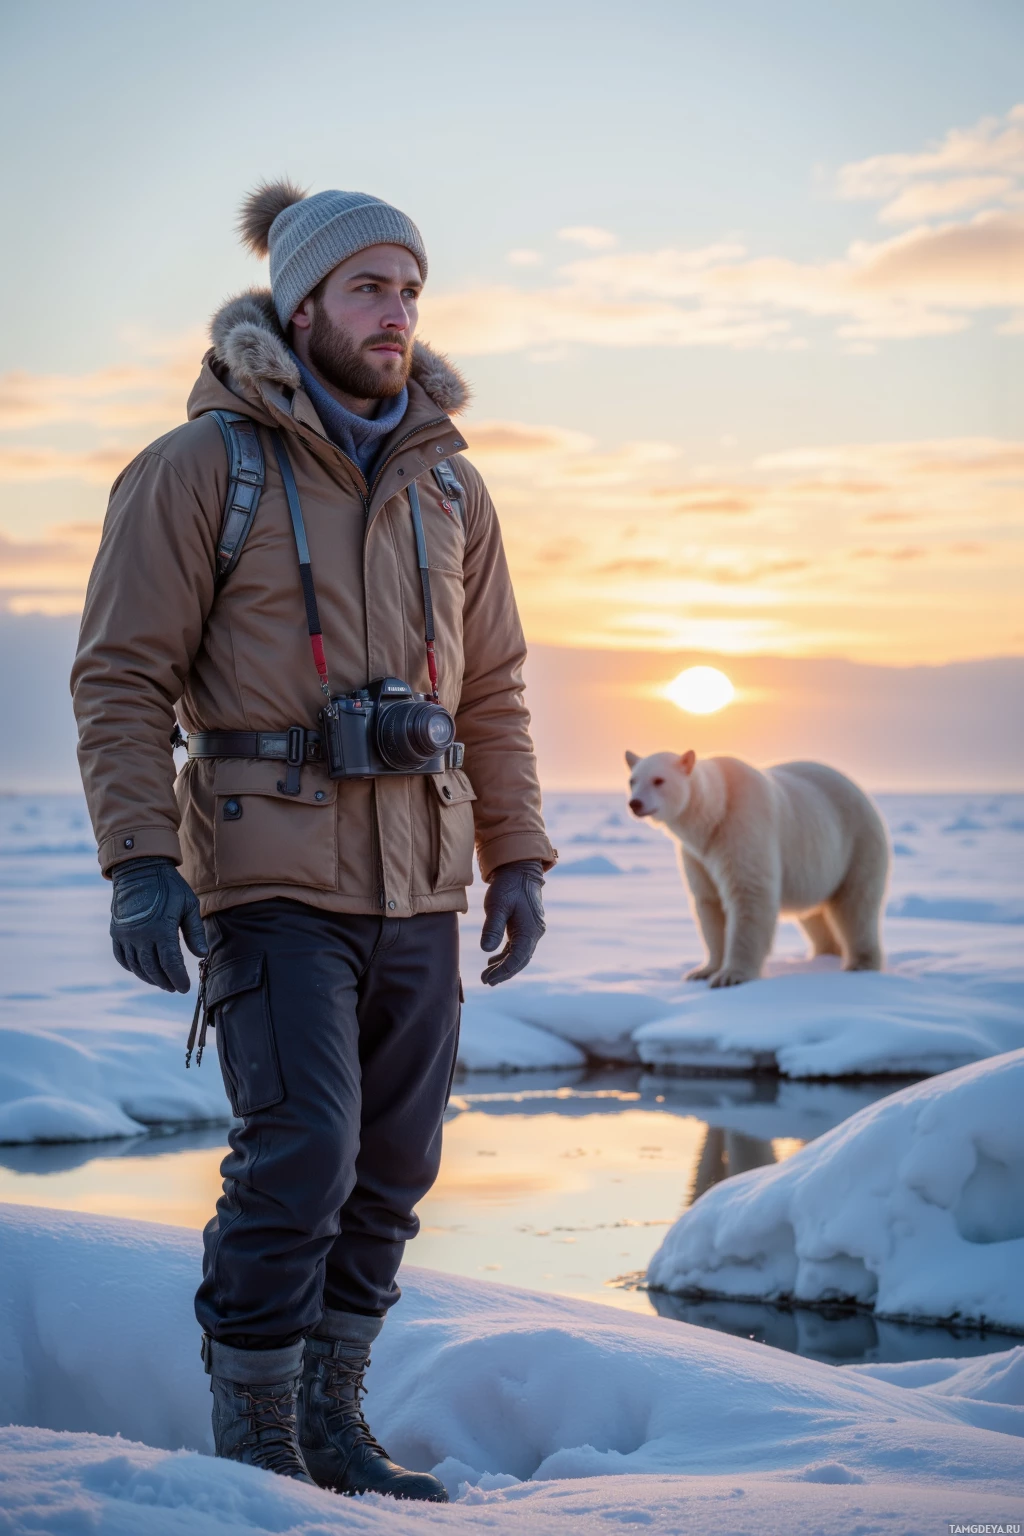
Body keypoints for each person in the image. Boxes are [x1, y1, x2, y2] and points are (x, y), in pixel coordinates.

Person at [71, 180, 556, 1498]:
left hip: (419, 879)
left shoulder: (450, 486)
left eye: (410, 290)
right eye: (368, 288)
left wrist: (514, 858)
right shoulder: (200, 469)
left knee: (397, 1164)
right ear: (300, 306)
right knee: (303, 1152)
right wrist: (139, 864)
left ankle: (336, 1424)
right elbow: (120, 679)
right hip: (268, 872)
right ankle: (260, 1445)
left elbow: (494, 688)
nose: (396, 313)